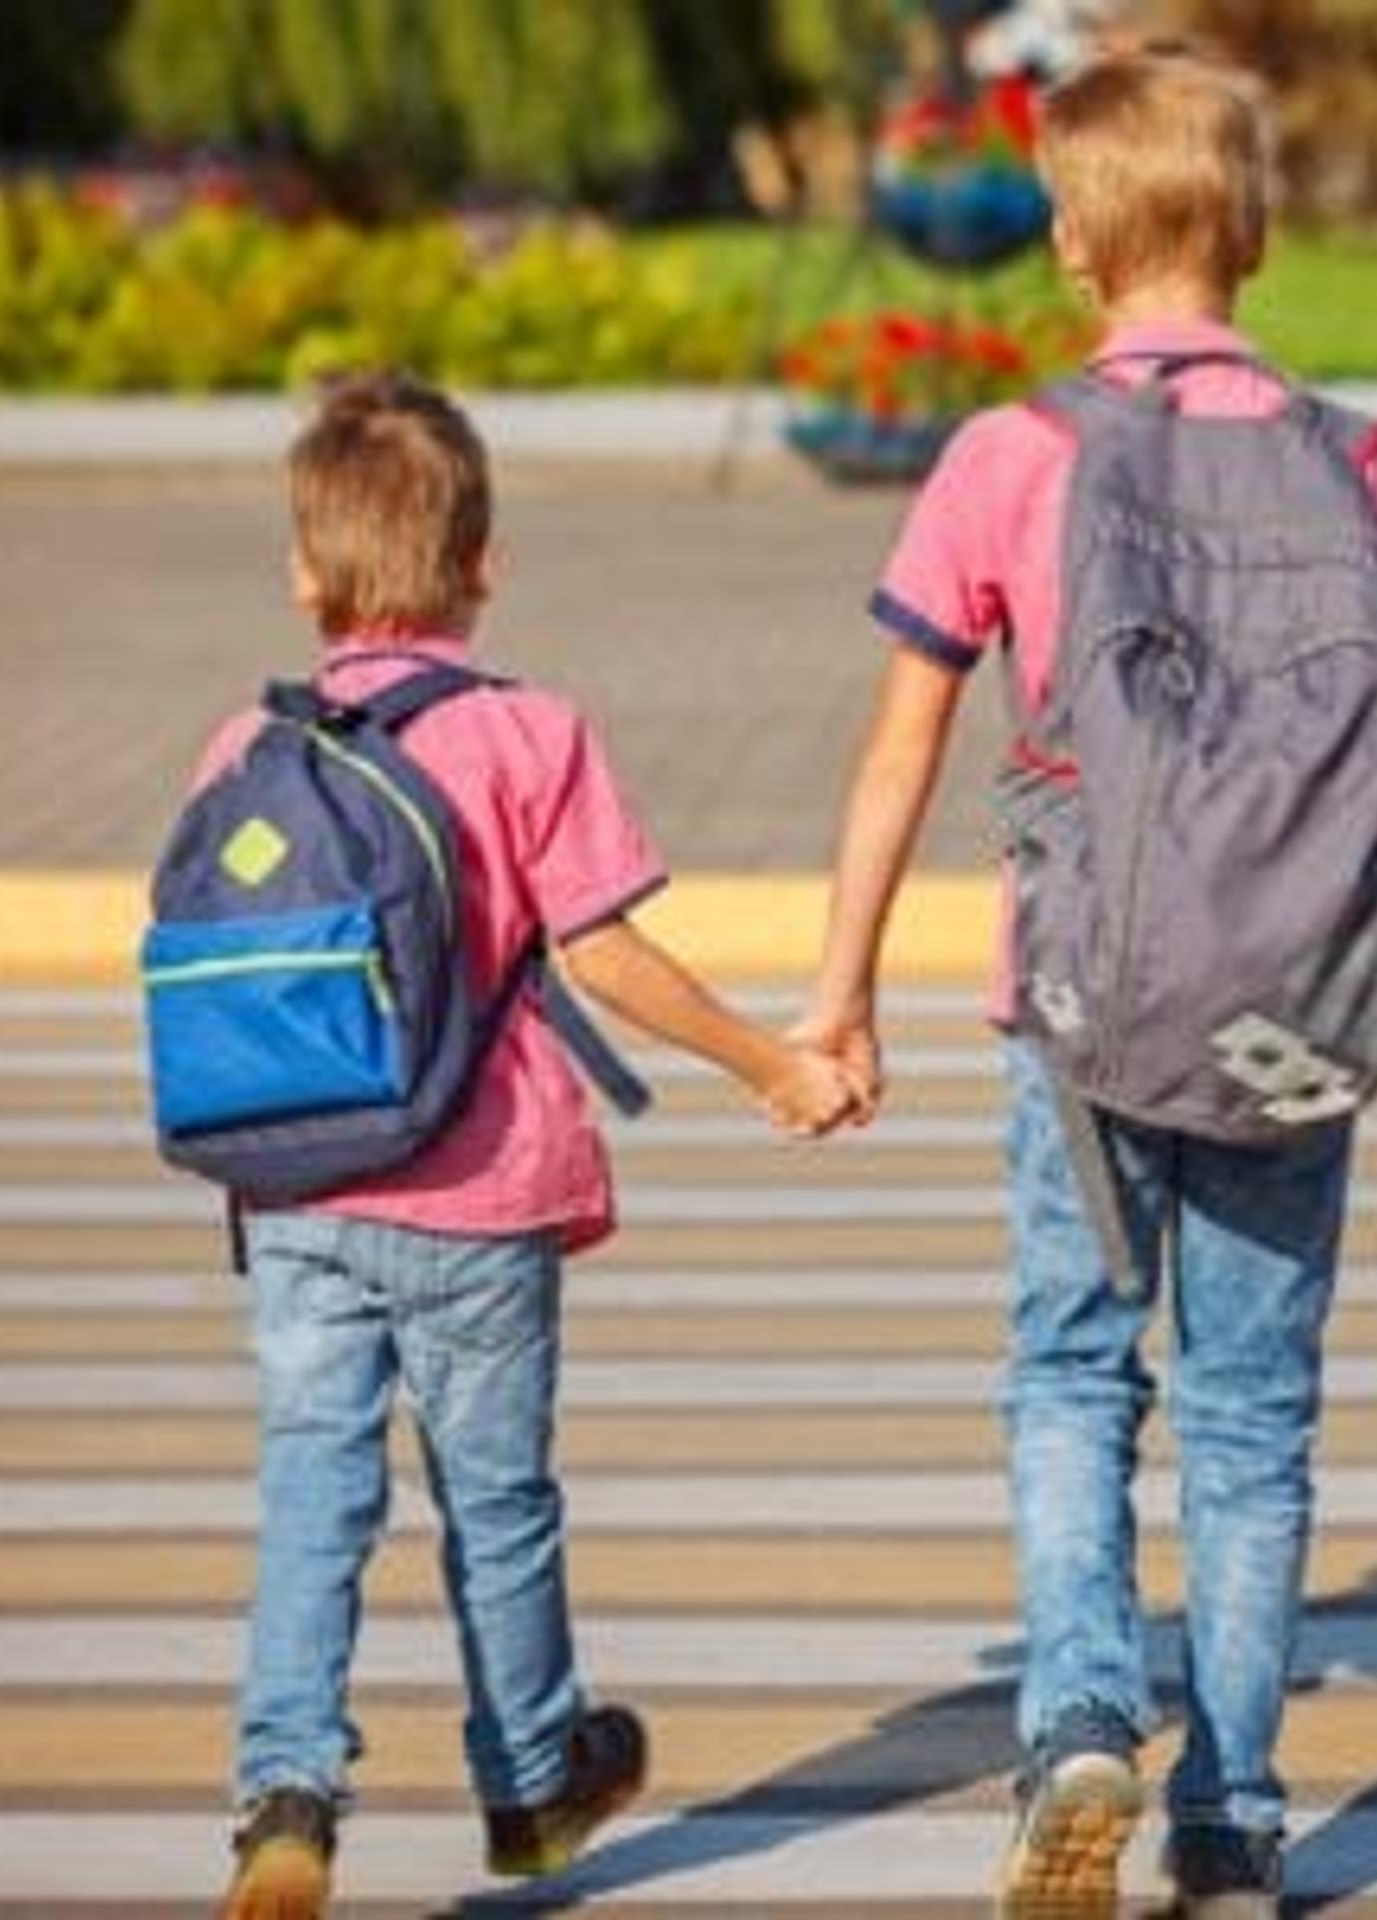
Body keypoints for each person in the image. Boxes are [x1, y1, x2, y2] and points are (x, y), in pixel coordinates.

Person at [794, 44, 1377, 1920]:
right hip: (1305, 1009)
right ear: (1260, 235)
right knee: (1253, 1416)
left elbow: (901, 746)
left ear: (1068, 240)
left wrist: (840, 994)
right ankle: (1233, 1813)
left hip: (1077, 1018)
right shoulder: (1358, 463)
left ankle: (1074, 1722)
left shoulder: (1009, 457)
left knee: (1069, 1374)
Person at [207, 374, 871, 1920]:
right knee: (496, 1501)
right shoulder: (526, 735)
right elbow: (610, 958)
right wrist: (772, 1060)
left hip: (297, 1188)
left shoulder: (243, 746)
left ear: (305, 578)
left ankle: (287, 1795)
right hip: (483, 1195)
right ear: (486, 564)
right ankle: (528, 1785)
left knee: (314, 1495)